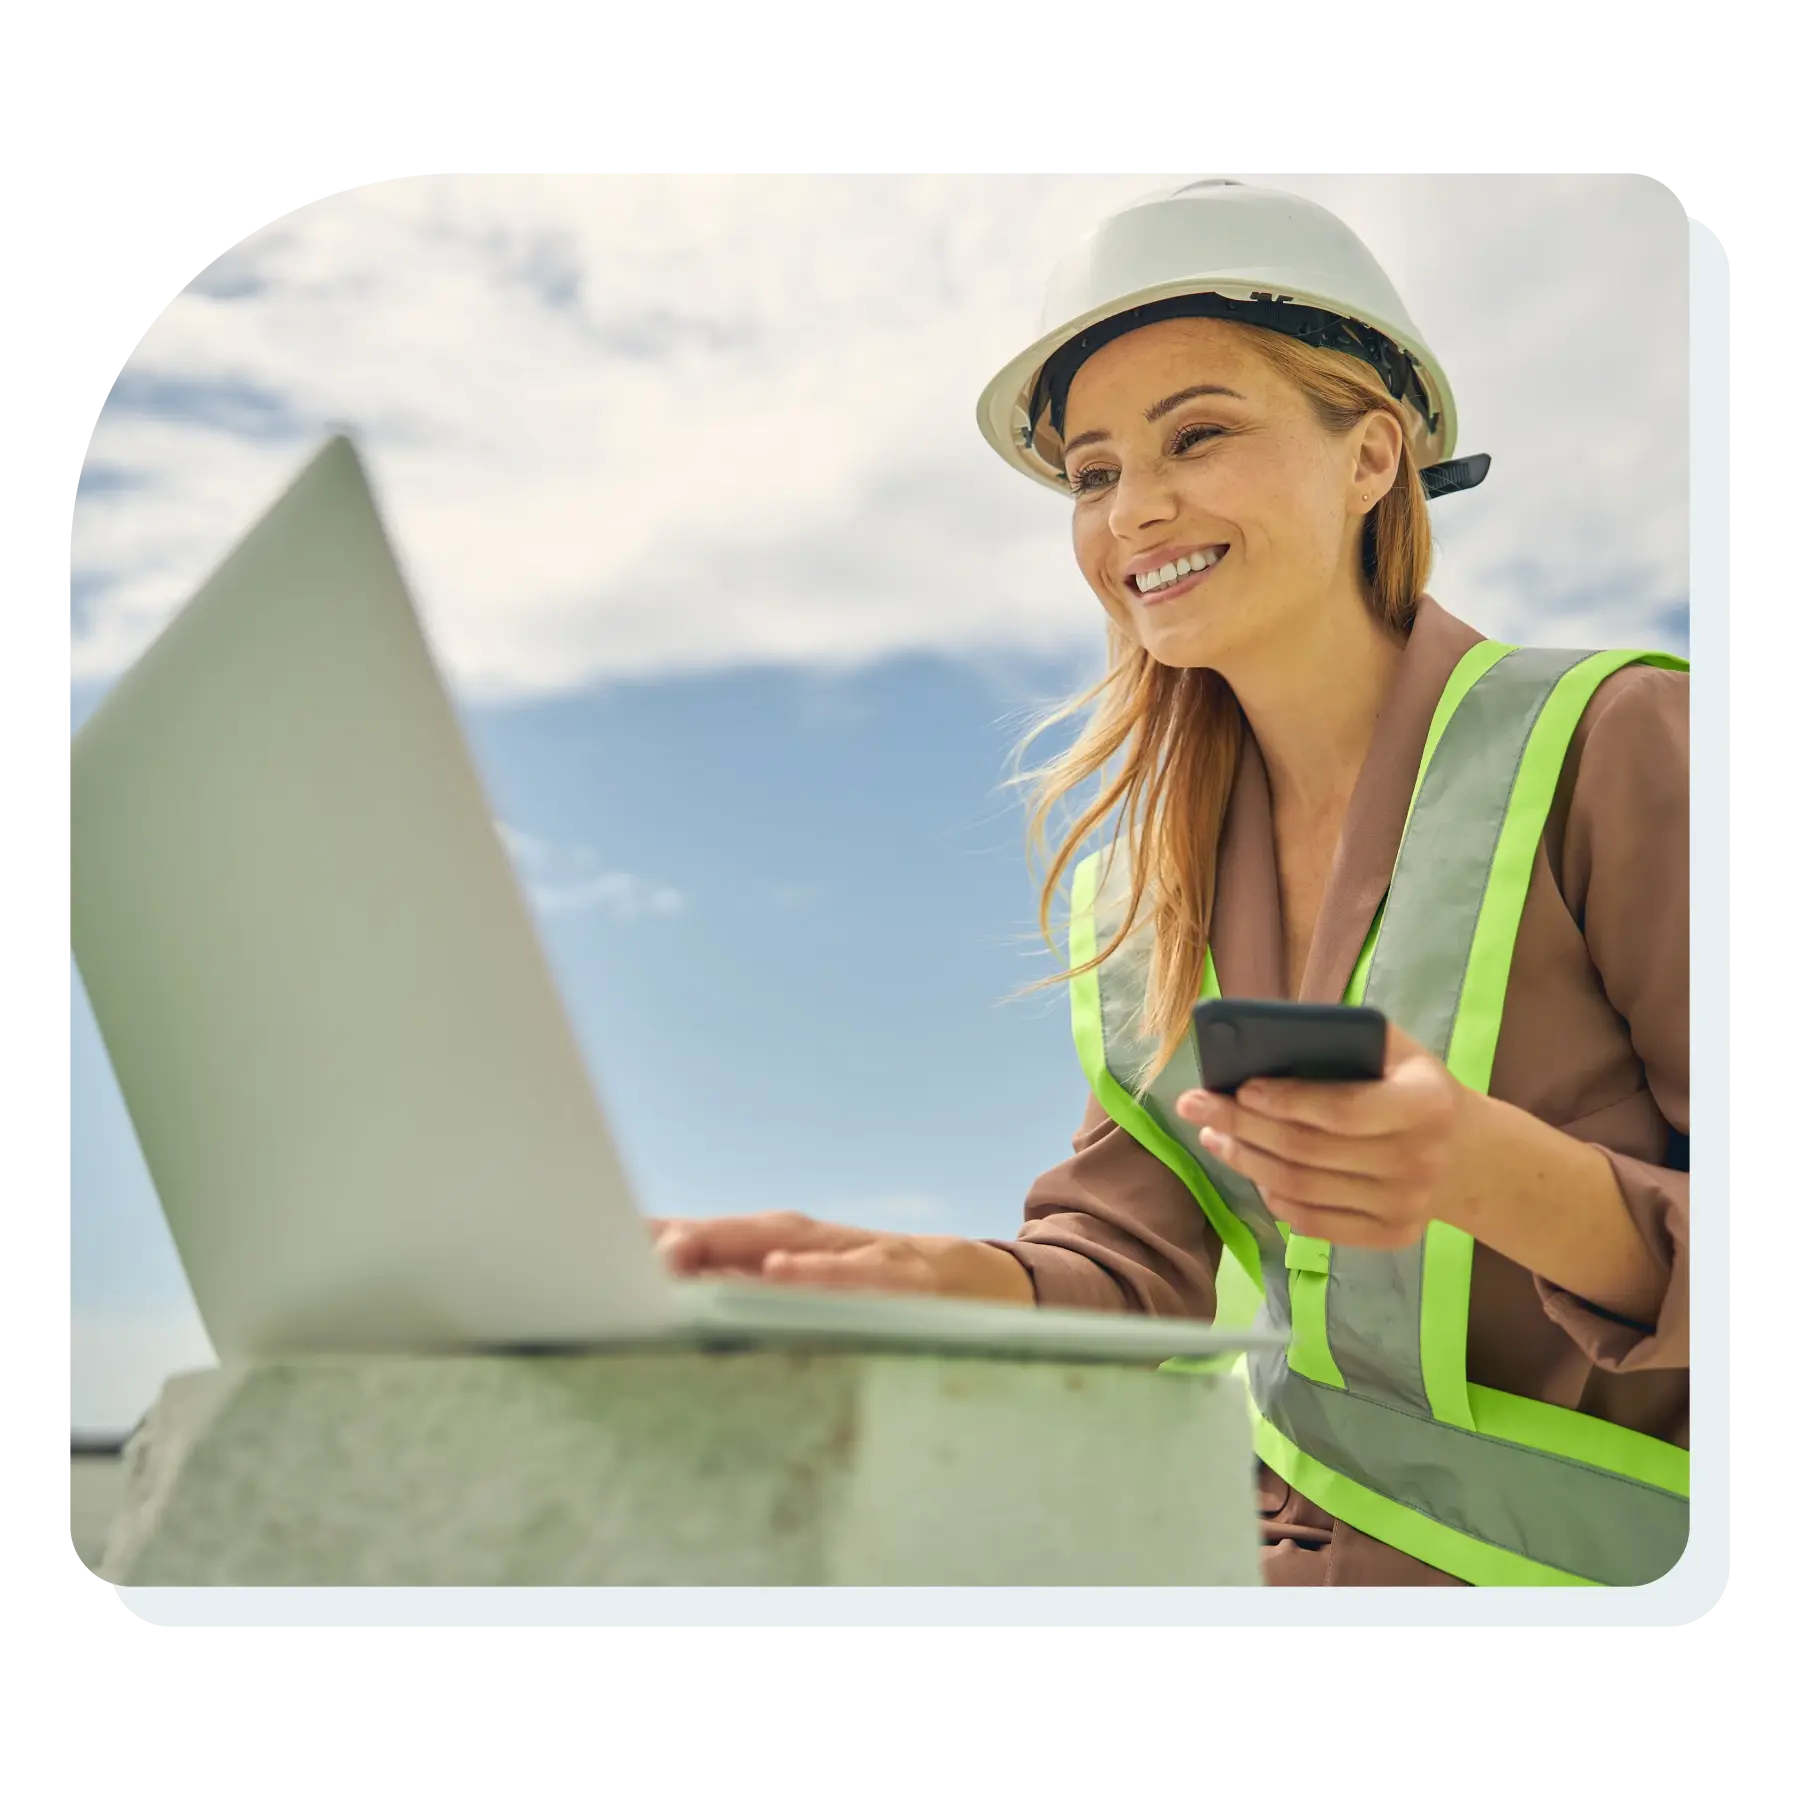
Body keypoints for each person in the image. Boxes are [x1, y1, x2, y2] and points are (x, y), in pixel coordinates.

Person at [653, 180, 1689, 1588]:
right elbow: (1132, 1263)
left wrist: (1499, 1177)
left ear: (1371, 456)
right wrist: (921, 1285)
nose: (1137, 511)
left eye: (1199, 435)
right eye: (1093, 473)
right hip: (1254, 1560)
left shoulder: (1615, 741)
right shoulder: (1148, 889)